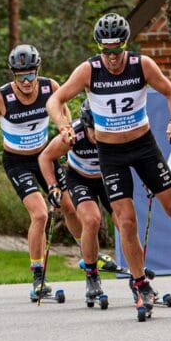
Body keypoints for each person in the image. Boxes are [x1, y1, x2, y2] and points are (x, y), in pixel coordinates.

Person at [45, 13, 171, 315]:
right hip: (111, 153)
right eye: (106, 51)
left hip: (144, 147)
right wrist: (62, 123)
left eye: (117, 51)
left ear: (125, 45)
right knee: (126, 221)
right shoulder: (88, 70)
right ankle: (139, 283)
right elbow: (55, 100)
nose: (113, 58)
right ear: (99, 48)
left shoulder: (141, 65)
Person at [0, 44, 81, 297]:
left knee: (68, 206)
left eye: (30, 74)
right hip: (17, 162)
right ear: (13, 75)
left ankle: (88, 255)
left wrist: (66, 137)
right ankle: (37, 277)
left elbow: (64, 112)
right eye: (20, 75)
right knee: (41, 215)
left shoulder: (49, 88)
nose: (26, 81)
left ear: (38, 70)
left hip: (46, 156)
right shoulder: (1, 97)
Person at [38, 98, 117, 301]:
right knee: (91, 220)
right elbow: (45, 157)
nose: (98, 136)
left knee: (125, 221)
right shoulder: (74, 134)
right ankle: (92, 276)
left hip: (108, 177)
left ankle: (138, 279)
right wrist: (53, 187)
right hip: (80, 178)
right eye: (93, 131)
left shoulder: (114, 131)